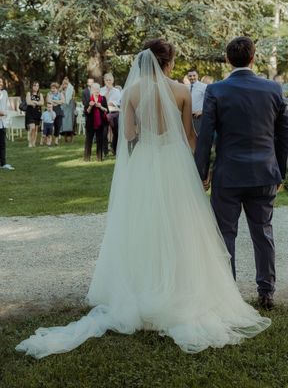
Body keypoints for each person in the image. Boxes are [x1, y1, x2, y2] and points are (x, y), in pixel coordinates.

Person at [17, 39, 270, 358]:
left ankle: (142, 289)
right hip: (174, 163)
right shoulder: (181, 90)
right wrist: (200, 172)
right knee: (181, 227)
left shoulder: (133, 92)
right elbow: (191, 136)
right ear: (168, 62)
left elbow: (128, 136)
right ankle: (180, 289)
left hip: (145, 164)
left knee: (143, 225)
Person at [196, 36, 288, 310]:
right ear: (253, 58)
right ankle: (266, 291)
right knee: (263, 232)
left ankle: (228, 293)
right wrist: (279, 172)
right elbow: (283, 134)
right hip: (264, 173)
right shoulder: (273, 88)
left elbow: (205, 138)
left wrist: (201, 172)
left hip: (229, 174)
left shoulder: (216, 90)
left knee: (225, 233)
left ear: (227, 59)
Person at [83, 83, 108, 162]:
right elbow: (86, 112)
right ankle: (87, 158)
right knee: (88, 140)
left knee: (100, 140)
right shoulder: (89, 99)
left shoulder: (103, 98)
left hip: (101, 123)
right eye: (95, 89)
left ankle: (99, 158)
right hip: (90, 123)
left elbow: (107, 111)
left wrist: (100, 107)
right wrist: (90, 106)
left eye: (98, 89)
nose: (97, 90)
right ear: (92, 90)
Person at [101, 73, 122, 156]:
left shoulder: (117, 91)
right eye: (107, 80)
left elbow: (119, 102)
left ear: (113, 81)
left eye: (110, 80)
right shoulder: (101, 90)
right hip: (104, 112)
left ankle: (114, 148)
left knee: (116, 132)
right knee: (104, 132)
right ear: (104, 81)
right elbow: (102, 100)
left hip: (114, 113)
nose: (108, 81)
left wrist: (111, 103)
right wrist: (107, 92)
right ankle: (105, 150)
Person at [187, 69, 207, 136]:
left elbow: (208, 101)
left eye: (194, 75)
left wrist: (202, 111)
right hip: (187, 116)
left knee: (198, 136)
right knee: (188, 135)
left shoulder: (204, 86)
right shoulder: (186, 87)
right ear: (187, 77)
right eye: (190, 76)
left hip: (198, 116)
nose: (192, 77)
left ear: (197, 76)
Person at [24, 81, 43, 148]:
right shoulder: (29, 93)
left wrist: (34, 102)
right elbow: (28, 102)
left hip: (37, 113)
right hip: (30, 113)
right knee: (32, 128)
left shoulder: (40, 94)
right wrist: (37, 102)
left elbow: (42, 103)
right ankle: (30, 142)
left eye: (37, 86)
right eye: (35, 85)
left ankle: (33, 142)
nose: (36, 87)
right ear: (32, 86)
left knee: (36, 130)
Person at [59, 77, 76, 142]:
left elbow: (73, 98)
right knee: (64, 121)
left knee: (71, 121)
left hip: (70, 106)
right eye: (64, 83)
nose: (65, 85)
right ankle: (65, 137)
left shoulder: (72, 90)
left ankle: (72, 137)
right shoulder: (61, 91)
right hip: (64, 107)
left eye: (66, 83)